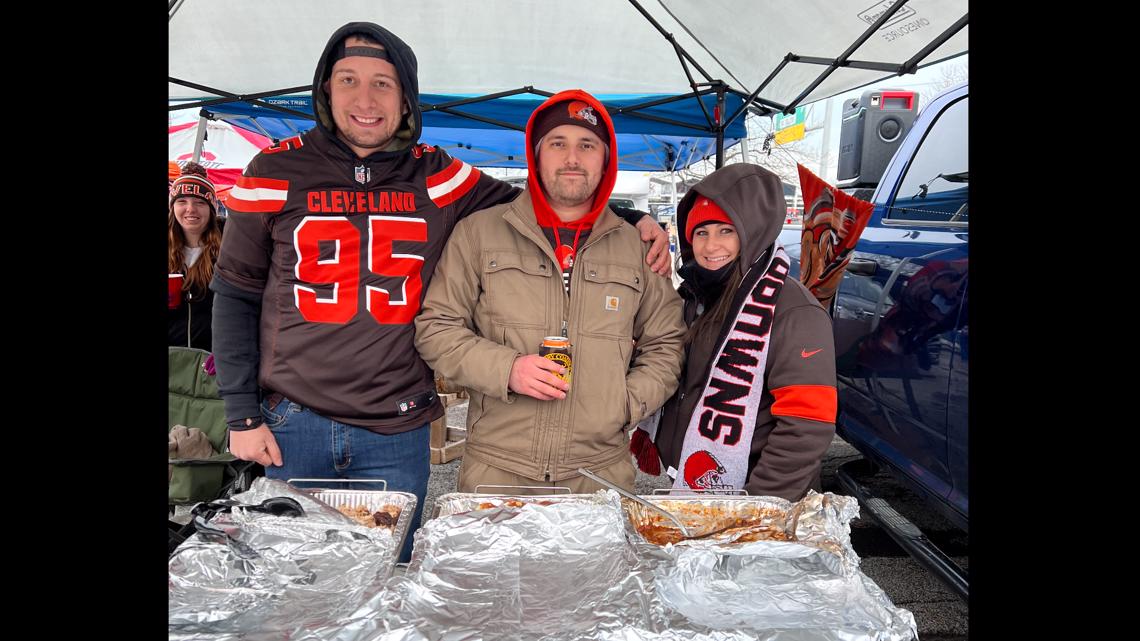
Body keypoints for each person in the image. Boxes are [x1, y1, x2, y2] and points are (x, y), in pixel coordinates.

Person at [209, 23, 670, 560]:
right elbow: (235, 295)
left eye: (383, 83)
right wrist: (241, 416)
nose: (365, 99)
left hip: (397, 425)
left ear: (406, 98)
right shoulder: (273, 170)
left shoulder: (438, 177)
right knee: (294, 584)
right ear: (324, 90)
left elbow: (540, 202)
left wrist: (631, 219)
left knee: (387, 584)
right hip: (295, 422)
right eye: (349, 80)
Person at [414, 90, 686, 493]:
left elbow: (668, 343)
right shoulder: (477, 234)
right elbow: (436, 328)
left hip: (600, 474)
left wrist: (625, 402)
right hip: (497, 470)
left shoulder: (638, 247)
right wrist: (506, 369)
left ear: (605, 160)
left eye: (587, 145)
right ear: (536, 154)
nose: (572, 158)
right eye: (558, 143)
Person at [635, 163, 837, 501]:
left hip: (756, 500)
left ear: (753, 231)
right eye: (701, 233)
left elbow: (806, 427)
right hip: (695, 489)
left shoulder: (792, 310)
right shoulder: (694, 298)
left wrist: (759, 507)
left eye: (725, 231)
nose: (711, 246)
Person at [169, 162, 223, 351]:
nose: (190, 209)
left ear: (211, 208)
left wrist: (229, 354)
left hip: (212, 357)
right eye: (182, 201)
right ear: (173, 207)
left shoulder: (229, 250)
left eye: (200, 202)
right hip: (173, 360)